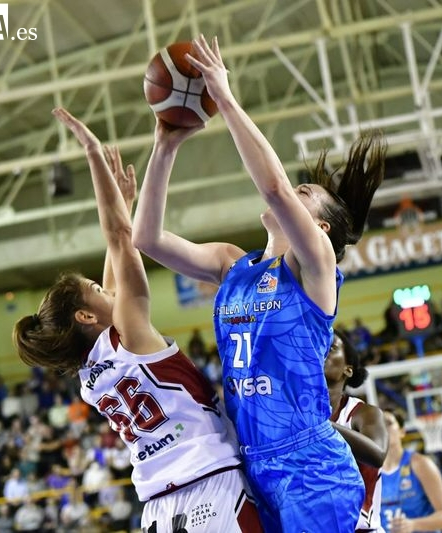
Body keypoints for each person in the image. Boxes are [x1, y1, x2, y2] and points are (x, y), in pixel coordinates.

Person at [133, 34, 386, 532]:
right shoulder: (233, 265)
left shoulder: (315, 266)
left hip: (311, 467)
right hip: (252, 466)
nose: (291, 191)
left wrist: (224, 97)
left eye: (304, 193)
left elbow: (270, 183)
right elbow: (147, 237)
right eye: (296, 187)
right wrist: (163, 147)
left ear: (322, 228)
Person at [13, 108, 263, 533]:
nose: (106, 285)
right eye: (95, 287)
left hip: (157, 511)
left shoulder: (91, 375)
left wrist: (123, 205)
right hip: (211, 487)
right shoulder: (130, 337)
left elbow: (116, 263)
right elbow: (118, 239)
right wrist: (92, 153)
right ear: (86, 315)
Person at [325, 331, 389, 533]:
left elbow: (377, 454)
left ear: (348, 370)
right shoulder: (291, 415)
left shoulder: (363, 413)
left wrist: (319, 425)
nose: (320, 351)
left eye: (331, 348)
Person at [380, 410, 442, 533]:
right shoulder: (370, 472)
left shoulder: (420, 464)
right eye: (380, 424)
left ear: (402, 431)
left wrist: (413, 524)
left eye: (388, 423)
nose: (384, 428)